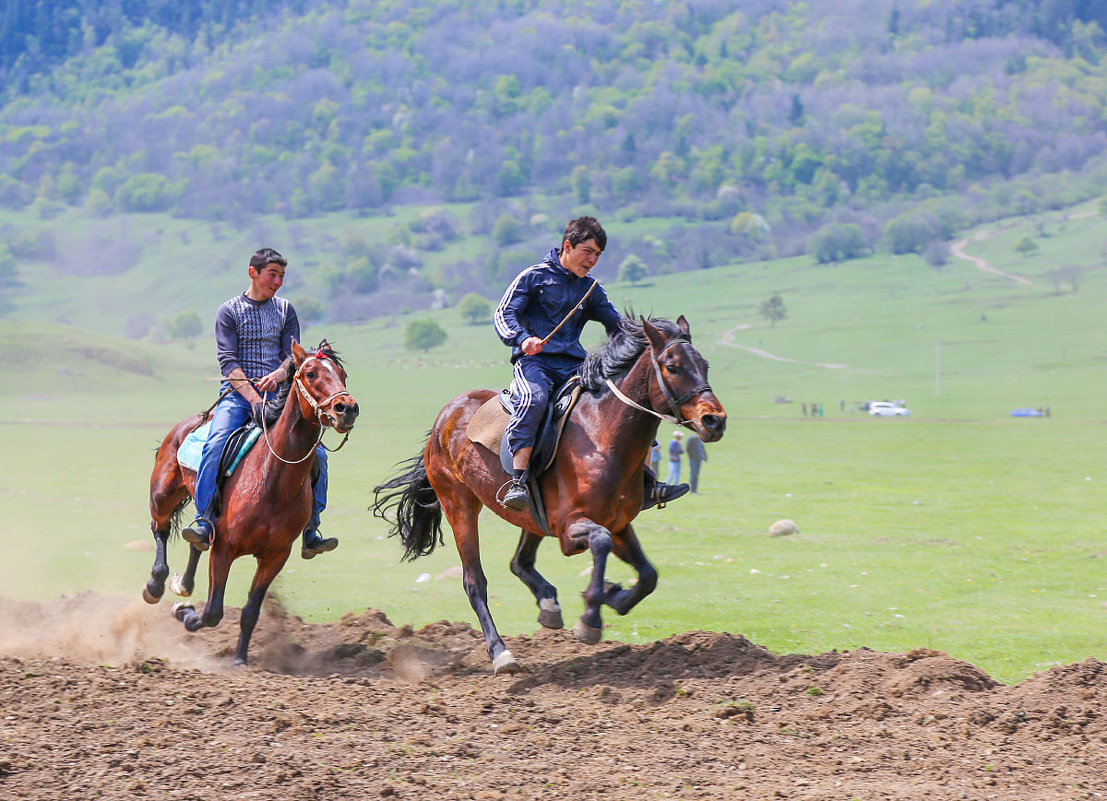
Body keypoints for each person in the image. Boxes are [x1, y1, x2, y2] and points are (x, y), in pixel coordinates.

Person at [493, 216, 689, 512]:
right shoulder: (532, 277)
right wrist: (522, 339)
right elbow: (503, 314)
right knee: (535, 399)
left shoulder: (591, 290)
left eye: (598, 254)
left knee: (628, 403)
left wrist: (654, 340)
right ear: (567, 246)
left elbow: (617, 327)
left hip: (575, 368)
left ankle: (647, 483)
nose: (593, 260)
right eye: (588, 251)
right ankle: (518, 481)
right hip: (534, 365)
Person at [182, 248, 338, 560]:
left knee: (316, 451)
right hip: (238, 396)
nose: (278, 282)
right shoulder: (229, 311)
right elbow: (228, 361)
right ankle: (204, 521)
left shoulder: (284, 310)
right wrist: (253, 397)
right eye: (272, 275)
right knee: (214, 444)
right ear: (253, 272)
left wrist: (280, 376)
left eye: (281, 276)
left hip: (280, 395)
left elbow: (291, 356)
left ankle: (311, 530)